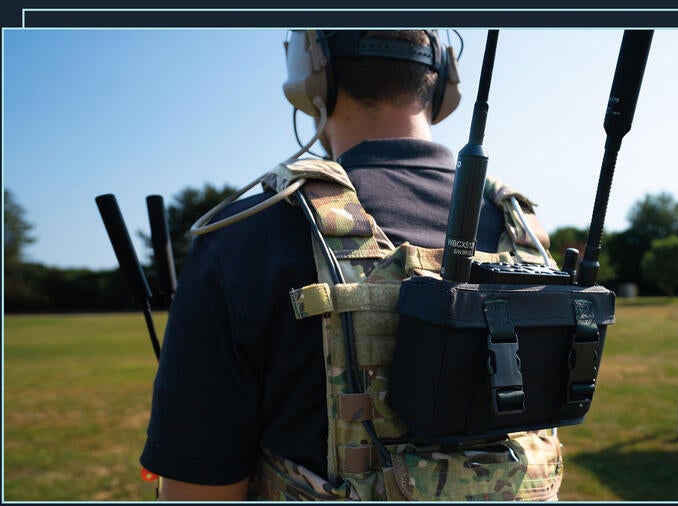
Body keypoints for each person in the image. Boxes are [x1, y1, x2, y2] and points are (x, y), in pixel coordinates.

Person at [139, 30, 555, 501]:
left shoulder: (244, 236)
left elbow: (197, 493)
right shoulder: (524, 232)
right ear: (444, 79)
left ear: (311, 76)